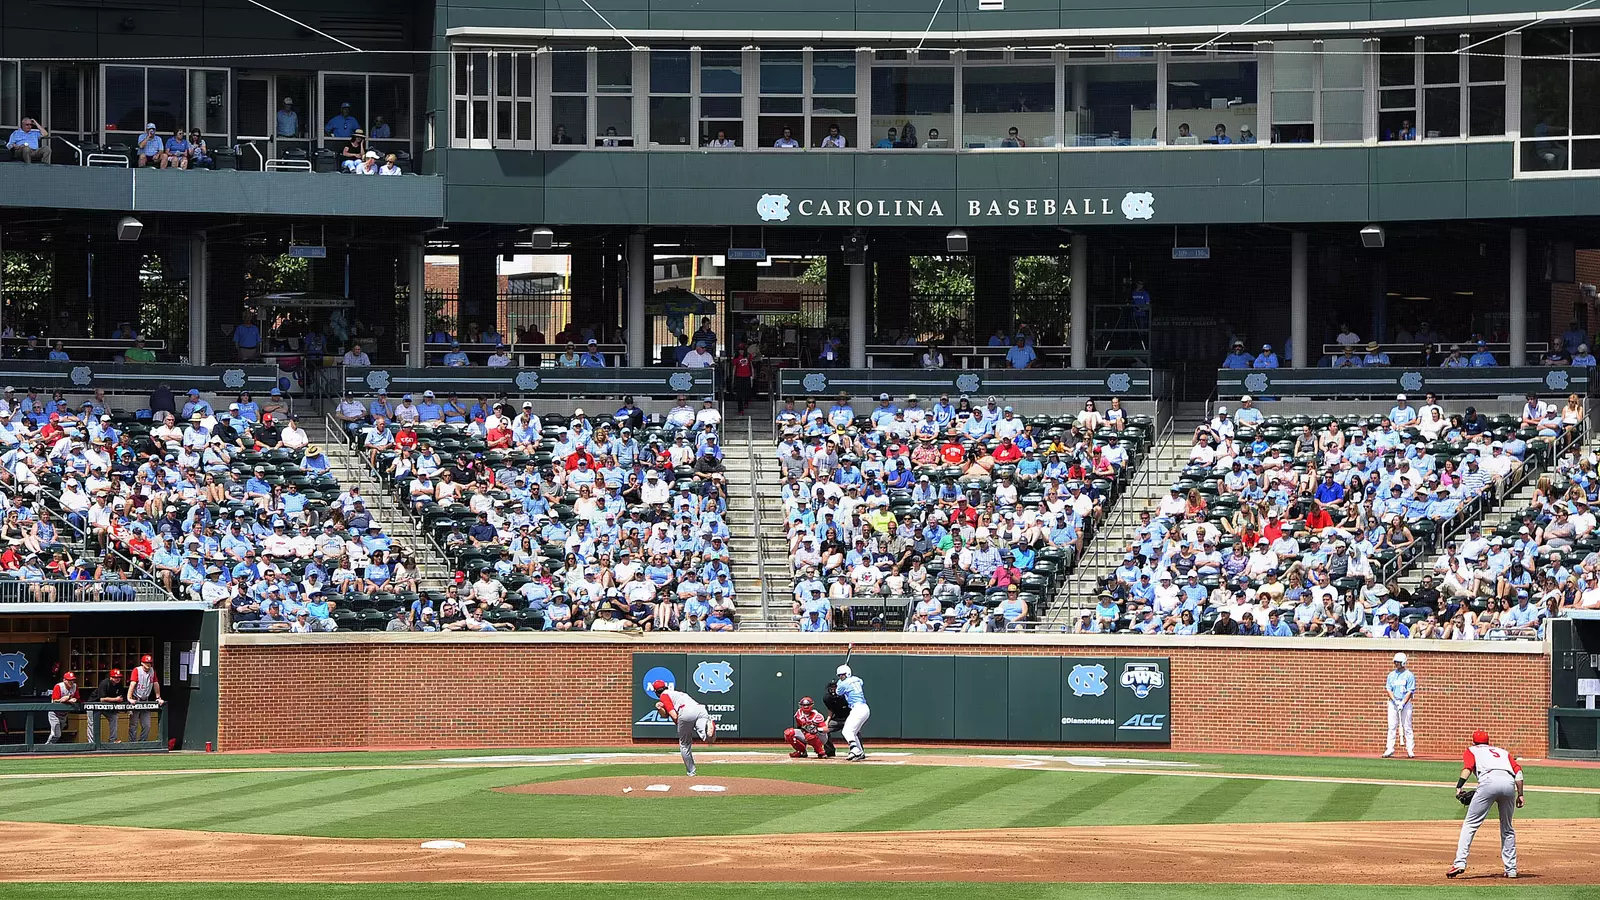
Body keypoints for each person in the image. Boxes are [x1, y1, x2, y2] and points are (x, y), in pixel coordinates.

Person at [1447, 729, 1524, 879]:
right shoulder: (1503, 752)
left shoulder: (1471, 750)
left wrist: (1459, 787)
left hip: (1488, 782)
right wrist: (1520, 794)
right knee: (1507, 828)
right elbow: (1518, 772)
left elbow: (1468, 768)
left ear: (1473, 741)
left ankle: (1460, 863)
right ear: (1488, 741)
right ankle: (1511, 869)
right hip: (1509, 784)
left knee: (1470, 825)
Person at [650, 678, 714, 776]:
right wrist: (660, 709)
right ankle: (707, 727)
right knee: (708, 738)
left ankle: (691, 772)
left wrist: (680, 726)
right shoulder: (677, 693)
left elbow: (673, 715)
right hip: (700, 709)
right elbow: (665, 714)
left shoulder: (664, 695)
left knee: (684, 744)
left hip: (685, 711)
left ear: (656, 692)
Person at [1383, 651, 1416, 758]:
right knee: (1392, 726)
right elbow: (1389, 689)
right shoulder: (1391, 675)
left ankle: (1410, 749)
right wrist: (1395, 701)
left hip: (1405, 704)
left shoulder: (1409, 675)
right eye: (1395, 662)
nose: (1396, 664)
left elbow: (1410, 691)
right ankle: (1389, 748)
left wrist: (1402, 703)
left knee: (1407, 727)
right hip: (1393, 703)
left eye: (1398, 662)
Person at [834, 663, 870, 761]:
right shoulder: (857, 679)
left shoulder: (842, 684)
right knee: (853, 732)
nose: (841, 677)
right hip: (864, 708)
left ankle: (854, 749)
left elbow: (838, 692)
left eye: (843, 675)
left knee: (846, 731)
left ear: (847, 673)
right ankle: (860, 753)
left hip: (858, 708)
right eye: (840, 676)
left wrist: (839, 683)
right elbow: (859, 682)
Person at [126, 653, 164, 742]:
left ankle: (142, 742)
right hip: (136, 700)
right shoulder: (137, 670)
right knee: (133, 725)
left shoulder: (152, 671)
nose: (148, 664)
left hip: (145, 700)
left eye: (150, 663)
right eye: (146, 663)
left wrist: (158, 697)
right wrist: (129, 698)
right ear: (142, 663)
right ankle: (132, 743)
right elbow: (132, 684)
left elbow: (155, 684)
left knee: (147, 725)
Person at [91, 668, 126, 744]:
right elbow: (102, 699)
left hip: (107, 706)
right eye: (115, 677)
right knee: (92, 723)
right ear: (111, 677)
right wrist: (116, 699)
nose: (117, 679)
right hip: (94, 704)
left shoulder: (119, 684)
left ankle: (112, 740)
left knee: (114, 717)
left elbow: (120, 697)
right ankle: (92, 743)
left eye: (119, 677)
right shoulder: (104, 683)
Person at [821, 678, 850, 757]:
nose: (833, 690)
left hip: (849, 719)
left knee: (855, 731)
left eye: (835, 687)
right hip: (836, 719)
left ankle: (857, 750)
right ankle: (829, 750)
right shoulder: (827, 698)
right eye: (832, 687)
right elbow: (831, 710)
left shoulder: (846, 696)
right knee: (823, 730)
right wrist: (827, 721)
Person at [47, 670, 78, 744]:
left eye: (72, 680)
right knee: (56, 734)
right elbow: (55, 701)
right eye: (69, 680)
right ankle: (46, 747)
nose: (71, 682)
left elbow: (77, 698)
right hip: (54, 713)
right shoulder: (59, 686)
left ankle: (49, 748)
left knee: (57, 734)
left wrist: (72, 699)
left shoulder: (75, 686)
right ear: (64, 680)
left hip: (64, 715)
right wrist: (65, 700)